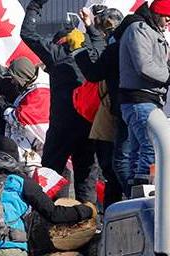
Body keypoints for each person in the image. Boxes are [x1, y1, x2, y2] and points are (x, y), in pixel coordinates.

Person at [21, 0, 100, 202]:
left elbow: (28, 34)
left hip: (62, 125)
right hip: (89, 126)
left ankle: (45, 222)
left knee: (49, 177)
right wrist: (91, 26)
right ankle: (89, 225)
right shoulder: (93, 54)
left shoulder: (55, 54)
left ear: (58, 41)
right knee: (86, 181)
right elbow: (104, 43)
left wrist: (35, 6)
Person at [0, 139, 97, 256]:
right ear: (14, 158)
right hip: (9, 247)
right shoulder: (18, 181)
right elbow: (54, 214)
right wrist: (87, 210)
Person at [73, 7, 126, 206]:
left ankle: (113, 213)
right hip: (120, 113)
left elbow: (95, 71)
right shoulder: (127, 44)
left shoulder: (112, 49)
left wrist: (78, 50)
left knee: (114, 170)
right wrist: (88, 25)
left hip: (110, 116)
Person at [118, 0, 170, 188]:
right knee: (152, 145)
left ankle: (135, 189)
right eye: (167, 17)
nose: (168, 22)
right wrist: (168, 76)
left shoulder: (150, 31)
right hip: (140, 100)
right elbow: (144, 66)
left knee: (138, 150)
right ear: (157, 14)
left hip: (145, 100)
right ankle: (144, 187)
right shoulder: (139, 30)